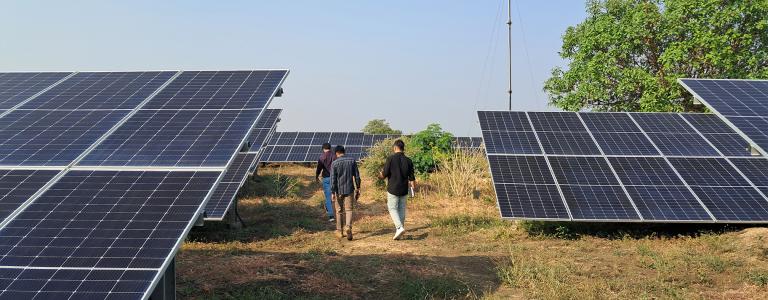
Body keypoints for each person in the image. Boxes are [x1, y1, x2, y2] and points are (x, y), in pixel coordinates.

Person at [378, 139, 415, 240]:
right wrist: (413, 190)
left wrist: (379, 175)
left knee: (392, 208)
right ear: (403, 148)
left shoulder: (390, 158)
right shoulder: (409, 160)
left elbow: (384, 174)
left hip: (393, 188)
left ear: (395, 148)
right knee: (401, 209)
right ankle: (400, 229)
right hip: (404, 189)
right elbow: (412, 178)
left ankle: (399, 228)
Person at [330, 145, 361, 240]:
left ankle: (339, 231)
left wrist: (332, 191)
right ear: (344, 151)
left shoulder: (334, 163)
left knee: (339, 210)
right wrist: (358, 187)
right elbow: (356, 176)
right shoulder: (352, 161)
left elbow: (333, 179)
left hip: (339, 190)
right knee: (349, 209)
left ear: (336, 153)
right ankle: (348, 226)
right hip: (349, 189)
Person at [315, 143, 336, 222]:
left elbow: (319, 168)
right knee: (336, 196)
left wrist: (316, 176)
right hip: (336, 178)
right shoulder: (335, 156)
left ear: (323, 149)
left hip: (326, 178)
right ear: (330, 148)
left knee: (328, 197)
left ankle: (331, 216)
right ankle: (339, 213)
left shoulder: (322, 157)